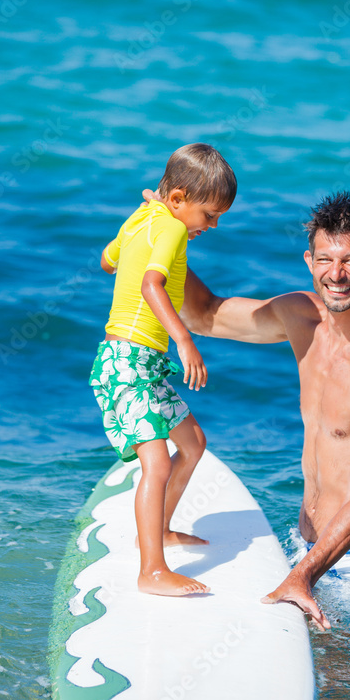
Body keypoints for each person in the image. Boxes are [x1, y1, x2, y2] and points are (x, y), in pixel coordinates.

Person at [139, 188, 350, 629]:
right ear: (309, 261)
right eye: (325, 260)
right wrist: (162, 232)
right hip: (304, 545)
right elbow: (204, 314)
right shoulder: (301, 316)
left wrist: (302, 576)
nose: (337, 274)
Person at [90, 143, 236, 597]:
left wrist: (147, 217)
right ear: (176, 200)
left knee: (192, 443)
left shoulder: (143, 219)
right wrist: (186, 339)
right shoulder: (170, 228)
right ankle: (151, 569)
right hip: (130, 358)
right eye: (209, 215)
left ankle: (161, 530)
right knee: (155, 464)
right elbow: (152, 284)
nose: (211, 226)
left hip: (136, 362)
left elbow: (107, 261)